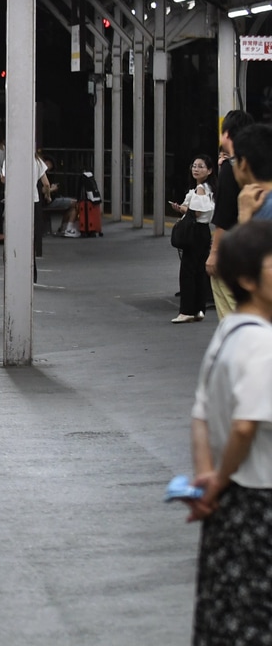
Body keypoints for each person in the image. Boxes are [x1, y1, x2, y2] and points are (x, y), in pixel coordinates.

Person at [185, 219, 272, 644]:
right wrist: (218, 480)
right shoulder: (262, 344)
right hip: (259, 507)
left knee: (226, 620)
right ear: (247, 279)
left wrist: (208, 482)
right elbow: (244, 427)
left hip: (228, 507)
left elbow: (200, 414)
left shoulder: (227, 334)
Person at [207, 109, 255, 318]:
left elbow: (225, 219)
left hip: (233, 251)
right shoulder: (256, 165)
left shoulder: (231, 167)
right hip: (257, 247)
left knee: (230, 308)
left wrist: (214, 253)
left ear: (226, 134)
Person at [170, 156, 216, 323]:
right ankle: (198, 309)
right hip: (203, 232)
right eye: (194, 166)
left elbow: (195, 212)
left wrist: (182, 209)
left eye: (201, 166)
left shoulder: (201, 189)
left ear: (209, 170)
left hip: (195, 232)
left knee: (187, 272)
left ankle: (186, 311)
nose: (196, 169)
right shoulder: (210, 187)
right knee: (199, 272)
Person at [232, 122, 272, 224]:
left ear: (243, 163)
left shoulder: (264, 211)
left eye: (233, 160)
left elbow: (247, 240)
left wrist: (244, 218)